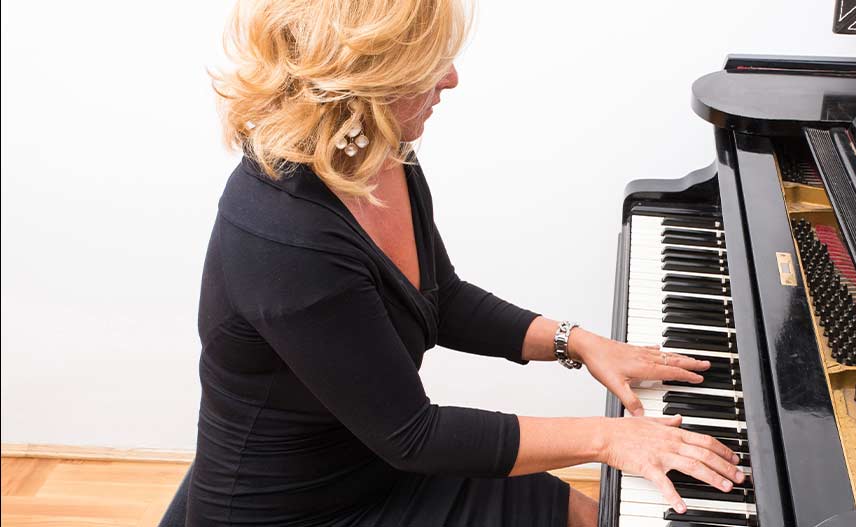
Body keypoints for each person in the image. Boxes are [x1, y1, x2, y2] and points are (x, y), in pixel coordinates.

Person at [190, 1, 744, 525]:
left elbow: (442, 299)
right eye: (429, 63)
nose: (452, 78)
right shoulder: (287, 239)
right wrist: (609, 438)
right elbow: (414, 436)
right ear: (367, 76)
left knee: (583, 514)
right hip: (299, 507)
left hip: (374, 460)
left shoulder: (378, 154)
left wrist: (577, 343)